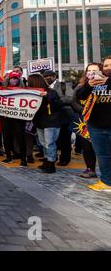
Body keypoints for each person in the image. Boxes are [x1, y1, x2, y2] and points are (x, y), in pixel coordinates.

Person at [76, 56, 111, 192]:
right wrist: (88, 85)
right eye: (106, 66)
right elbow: (79, 96)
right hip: (96, 126)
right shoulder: (93, 82)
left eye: (110, 66)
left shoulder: (108, 80)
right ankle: (106, 181)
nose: (108, 68)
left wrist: (108, 80)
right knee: (103, 156)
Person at [28, 74, 63, 174]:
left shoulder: (51, 92)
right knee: (43, 143)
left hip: (51, 122)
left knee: (49, 143)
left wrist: (47, 95)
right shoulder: (33, 93)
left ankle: (51, 163)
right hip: (40, 122)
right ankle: (47, 160)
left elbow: (58, 104)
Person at [72, 63, 102, 179]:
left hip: (101, 121)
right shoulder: (81, 86)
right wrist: (85, 111)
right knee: (87, 146)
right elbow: (74, 101)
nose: (91, 72)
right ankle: (90, 168)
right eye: (89, 70)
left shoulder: (105, 84)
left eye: (95, 70)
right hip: (85, 122)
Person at [43, 70, 75, 166]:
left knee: (65, 138)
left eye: (49, 76)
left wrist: (56, 100)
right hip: (51, 117)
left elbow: (71, 98)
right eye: (45, 77)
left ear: (54, 76)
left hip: (64, 115)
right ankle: (52, 158)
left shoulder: (64, 85)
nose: (47, 78)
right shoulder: (44, 87)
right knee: (52, 139)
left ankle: (65, 158)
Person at [0, 72, 28, 167]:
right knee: (6, 138)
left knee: (21, 138)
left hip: (18, 119)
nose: (14, 80)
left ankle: (23, 159)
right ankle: (8, 157)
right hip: (5, 118)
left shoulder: (24, 90)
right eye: (12, 78)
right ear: (9, 79)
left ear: (19, 79)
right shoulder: (2, 90)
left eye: (16, 78)